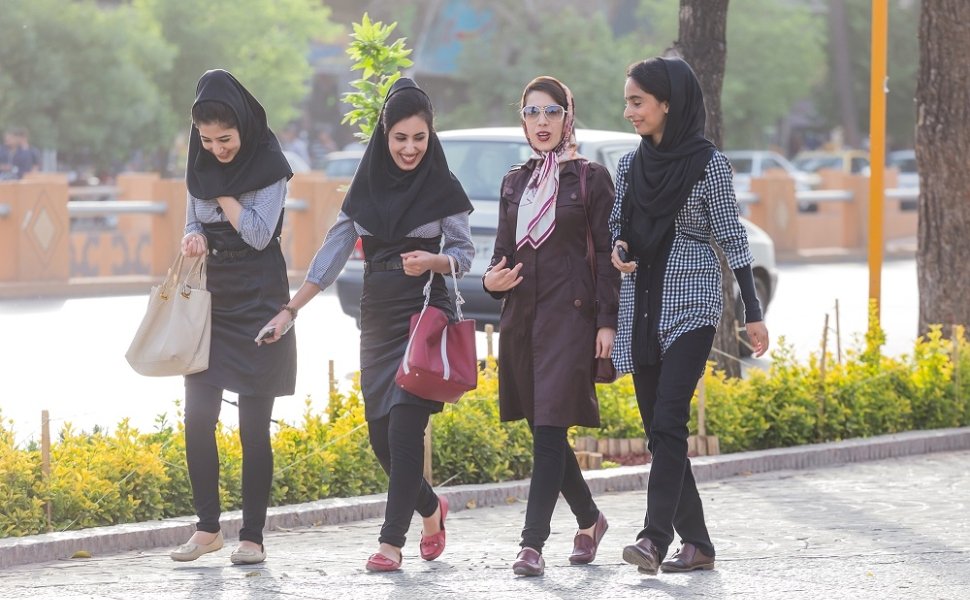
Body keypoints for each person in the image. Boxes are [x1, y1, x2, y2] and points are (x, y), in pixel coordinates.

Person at [259, 78, 474, 572]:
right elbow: (333, 253)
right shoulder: (366, 184)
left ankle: (390, 542)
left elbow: (464, 254)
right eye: (400, 137)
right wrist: (292, 310)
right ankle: (430, 507)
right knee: (381, 436)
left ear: (430, 136)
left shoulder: (444, 187)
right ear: (384, 135)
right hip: (377, 317)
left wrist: (435, 261)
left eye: (419, 138)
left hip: (425, 316)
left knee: (403, 430)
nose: (410, 148)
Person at [610, 57, 769, 575]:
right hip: (642, 305)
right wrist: (619, 247)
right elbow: (619, 224)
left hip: (693, 306)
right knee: (660, 432)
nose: (629, 110)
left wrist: (752, 310)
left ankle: (653, 538)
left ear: (667, 104)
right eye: (628, 100)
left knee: (669, 419)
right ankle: (697, 543)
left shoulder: (708, 164)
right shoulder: (630, 166)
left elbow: (732, 236)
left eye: (637, 101)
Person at [483, 76, 620, 577]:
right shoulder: (514, 181)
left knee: (547, 432)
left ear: (568, 117)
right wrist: (491, 281)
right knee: (546, 431)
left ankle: (531, 544)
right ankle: (590, 520)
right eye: (532, 112)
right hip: (521, 317)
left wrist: (607, 322)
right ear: (522, 118)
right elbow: (501, 255)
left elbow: (607, 256)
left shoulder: (590, 178)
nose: (542, 122)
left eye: (551, 112)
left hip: (572, 318)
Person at [171, 69, 296, 566]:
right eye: (206, 140)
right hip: (212, 302)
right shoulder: (199, 161)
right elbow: (190, 221)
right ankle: (206, 529)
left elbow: (259, 234)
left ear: (243, 127)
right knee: (197, 418)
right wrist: (193, 237)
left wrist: (221, 191)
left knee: (252, 427)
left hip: (261, 298)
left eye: (225, 139)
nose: (216, 149)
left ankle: (252, 536)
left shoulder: (270, 162)